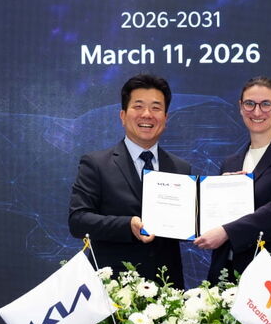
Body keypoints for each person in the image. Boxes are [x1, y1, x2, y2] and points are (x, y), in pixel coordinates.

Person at [69, 74, 191, 288]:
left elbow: (189, 225)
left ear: (166, 118)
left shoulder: (181, 168)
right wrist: (127, 225)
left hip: (168, 291)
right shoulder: (96, 164)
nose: (147, 114)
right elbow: (78, 221)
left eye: (156, 108)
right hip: (114, 290)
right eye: (138, 106)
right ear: (123, 116)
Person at [194, 76, 271, 290]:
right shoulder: (230, 163)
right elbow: (219, 216)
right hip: (228, 276)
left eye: (266, 104)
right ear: (241, 107)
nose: (257, 112)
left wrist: (226, 231)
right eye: (250, 104)